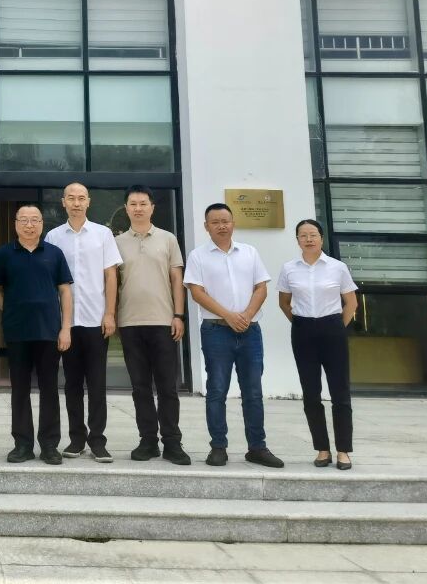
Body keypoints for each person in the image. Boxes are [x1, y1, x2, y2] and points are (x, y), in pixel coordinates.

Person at [184, 203, 284, 469]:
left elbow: (261, 287)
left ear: (233, 223)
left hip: (250, 331)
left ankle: (257, 447)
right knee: (217, 390)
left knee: (253, 391)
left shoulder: (250, 252)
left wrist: (247, 315)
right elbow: (197, 293)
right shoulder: (198, 256)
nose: (221, 226)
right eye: (215, 222)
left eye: (225, 221)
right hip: (216, 331)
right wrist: (229, 316)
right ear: (206, 226)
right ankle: (218, 447)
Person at [0, 203, 73, 465]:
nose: (29, 224)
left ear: (41, 224)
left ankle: (49, 445)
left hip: (49, 332)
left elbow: (65, 291)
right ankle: (22, 444)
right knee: (20, 390)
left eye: (34, 219)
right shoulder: (4, 254)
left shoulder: (54, 253)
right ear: (15, 224)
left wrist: (66, 328)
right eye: (23, 220)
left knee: (49, 390)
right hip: (17, 332)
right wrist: (11, 307)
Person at [115, 185, 191, 465]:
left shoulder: (168, 239)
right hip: (129, 323)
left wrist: (179, 315)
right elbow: (111, 283)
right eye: (133, 204)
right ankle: (147, 441)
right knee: (140, 387)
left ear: (152, 207)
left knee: (167, 387)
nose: (138, 208)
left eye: (143, 203)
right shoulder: (117, 242)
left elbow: (177, 279)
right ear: (126, 208)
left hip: (164, 322)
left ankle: (172, 442)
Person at [45, 183, 121, 462]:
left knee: (97, 383)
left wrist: (109, 313)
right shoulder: (53, 237)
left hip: (95, 319)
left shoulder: (102, 234)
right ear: (63, 202)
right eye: (71, 198)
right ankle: (77, 438)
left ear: (88, 202)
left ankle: (98, 440)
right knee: (72, 384)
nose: (76, 203)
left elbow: (111, 276)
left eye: (81, 198)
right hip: (66, 323)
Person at [278, 219, 358, 470]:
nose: (309, 239)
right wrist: (301, 324)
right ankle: (322, 449)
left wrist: (337, 327)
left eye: (313, 234)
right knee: (311, 393)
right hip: (303, 330)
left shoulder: (337, 267)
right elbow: (284, 303)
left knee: (340, 392)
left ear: (321, 238)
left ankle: (343, 450)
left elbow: (351, 303)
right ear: (297, 240)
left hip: (333, 328)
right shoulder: (289, 269)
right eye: (303, 235)